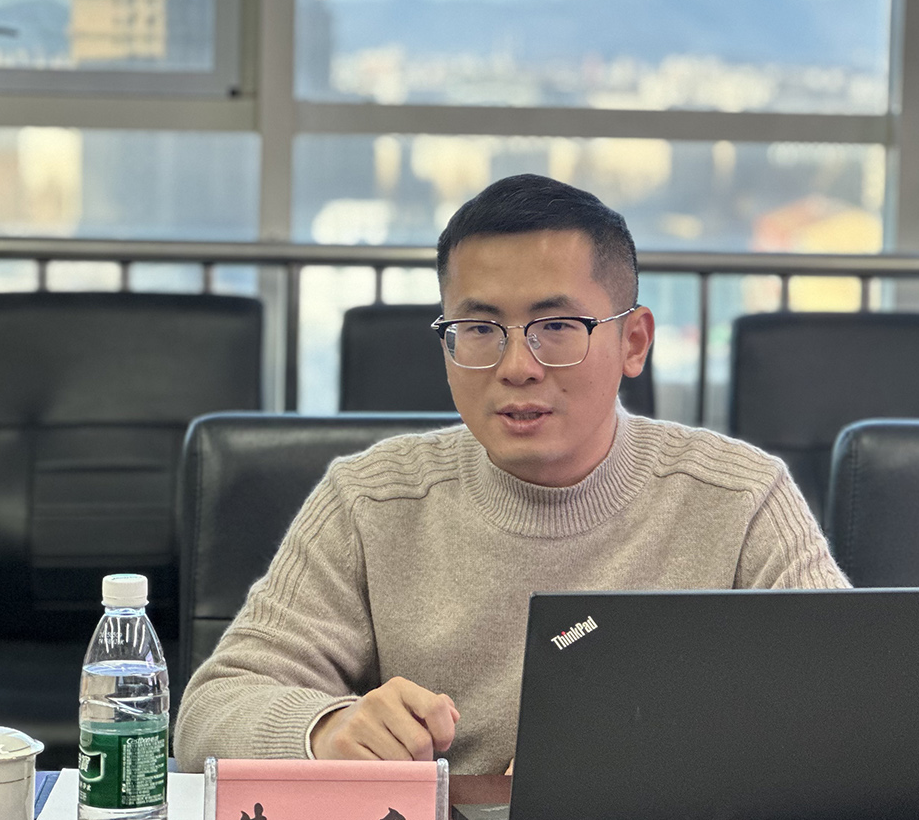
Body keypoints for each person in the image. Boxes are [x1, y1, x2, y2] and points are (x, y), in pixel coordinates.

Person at [174, 174, 849, 774]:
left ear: (634, 341)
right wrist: (326, 730)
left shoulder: (741, 496)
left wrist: (653, 754)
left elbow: (852, 709)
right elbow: (210, 710)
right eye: (479, 329)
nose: (517, 366)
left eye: (557, 326)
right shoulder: (370, 499)